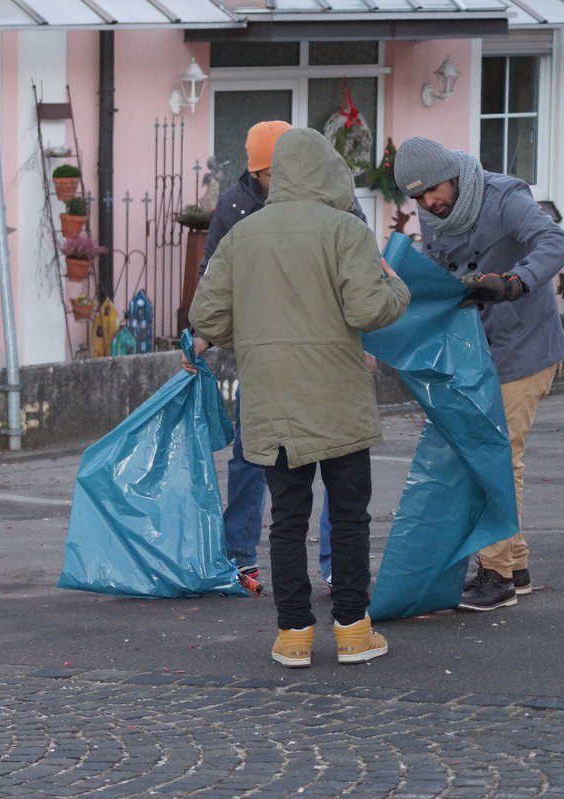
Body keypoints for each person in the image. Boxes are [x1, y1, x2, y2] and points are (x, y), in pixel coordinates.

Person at [190, 128, 410, 668]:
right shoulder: (345, 230)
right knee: (349, 514)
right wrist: (397, 287)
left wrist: (258, 339)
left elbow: (206, 317)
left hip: (273, 402)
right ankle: (354, 631)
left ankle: (293, 635)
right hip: (337, 398)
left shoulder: (244, 235)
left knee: (286, 519)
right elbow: (367, 310)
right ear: (330, 171)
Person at [393, 136, 564, 612]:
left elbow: (556, 242)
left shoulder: (504, 196)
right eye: (418, 198)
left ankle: (496, 576)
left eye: (433, 190)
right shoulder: (433, 217)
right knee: (492, 454)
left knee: (498, 457)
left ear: (452, 175)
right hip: (479, 350)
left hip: (524, 346)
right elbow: (438, 272)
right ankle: (516, 566)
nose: (428, 203)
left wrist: (514, 282)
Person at [188, 120, 364, 589]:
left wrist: (362, 342)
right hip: (268, 364)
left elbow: (357, 282)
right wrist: (217, 338)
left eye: (274, 172)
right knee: (254, 457)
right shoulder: (235, 205)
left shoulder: (338, 205)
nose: (271, 182)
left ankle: (330, 567)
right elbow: (212, 282)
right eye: (263, 174)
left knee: (331, 469)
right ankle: (240, 554)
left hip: (325, 360)